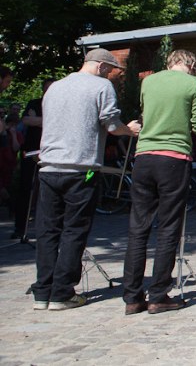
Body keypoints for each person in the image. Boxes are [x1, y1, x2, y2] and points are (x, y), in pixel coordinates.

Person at [31, 50, 140, 311]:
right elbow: (111, 125)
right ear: (102, 66)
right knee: (74, 230)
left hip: (48, 167)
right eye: (114, 72)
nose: (114, 77)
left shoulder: (55, 87)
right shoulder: (101, 86)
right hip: (81, 168)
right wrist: (131, 130)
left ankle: (42, 291)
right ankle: (62, 293)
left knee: (47, 231)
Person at [123, 49, 196, 315]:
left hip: (144, 155)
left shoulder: (148, 81)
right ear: (191, 64)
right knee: (169, 227)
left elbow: (148, 114)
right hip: (173, 156)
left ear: (170, 63)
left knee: (138, 227)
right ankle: (158, 295)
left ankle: (132, 297)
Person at [14, 78, 53, 240]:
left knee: (46, 191)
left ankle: (44, 228)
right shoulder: (34, 103)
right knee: (25, 189)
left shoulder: (59, 105)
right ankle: (20, 228)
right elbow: (26, 120)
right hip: (30, 152)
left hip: (49, 153)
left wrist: (38, 121)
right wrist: (46, 122)